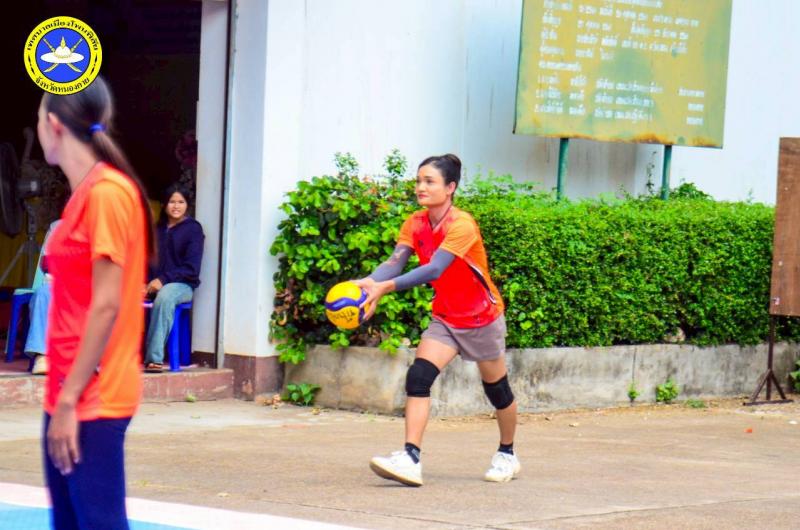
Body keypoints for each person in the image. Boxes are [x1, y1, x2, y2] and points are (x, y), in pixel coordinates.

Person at [357, 154, 519, 487]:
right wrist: (371, 283)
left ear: (450, 187)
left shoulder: (462, 225)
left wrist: (386, 288)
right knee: (419, 377)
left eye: (429, 181)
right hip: (446, 317)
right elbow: (395, 263)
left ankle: (507, 453)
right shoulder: (415, 223)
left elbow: (434, 268)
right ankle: (410, 458)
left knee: (498, 390)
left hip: (481, 318)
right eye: (419, 180)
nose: (421, 187)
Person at [36, 75, 154, 529]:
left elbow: (107, 305)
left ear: (53, 124)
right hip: (66, 393)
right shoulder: (82, 197)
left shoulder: (107, 194)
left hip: (92, 397)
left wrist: (69, 401)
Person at [143, 183, 204, 373]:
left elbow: (191, 268)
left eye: (181, 202)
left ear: (187, 205)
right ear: (164, 204)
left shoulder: (193, 229)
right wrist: (143, 283)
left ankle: (153, 359)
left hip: (181, 286)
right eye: (171, 202)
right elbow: (148, 261)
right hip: (155, 284)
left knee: (165, 296)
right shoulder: (157, 229)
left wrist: (163, 280)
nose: (176, 206)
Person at [23, 220, 61, 375]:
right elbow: (47, 263)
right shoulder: (57, 227)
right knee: (43, 294)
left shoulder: (103, 226)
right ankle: (42, 356)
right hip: (59, 283)